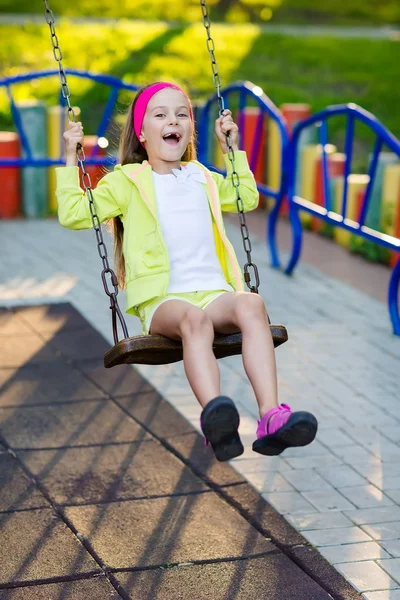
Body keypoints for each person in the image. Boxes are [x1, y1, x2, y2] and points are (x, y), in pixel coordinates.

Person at [56, 81, 318, 462]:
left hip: (214, 292)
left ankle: (270, 417)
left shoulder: (203, 178)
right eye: (160, 115)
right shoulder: (127, 182)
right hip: (164, 301)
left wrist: (232, 149)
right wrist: (69, 157)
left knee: (251, 305)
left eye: (181, 114)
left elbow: (246, 197)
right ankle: (217, 418)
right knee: (194, 321)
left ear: (190, 130)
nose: (172, 120)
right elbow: (74, 213)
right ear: (143, 134)